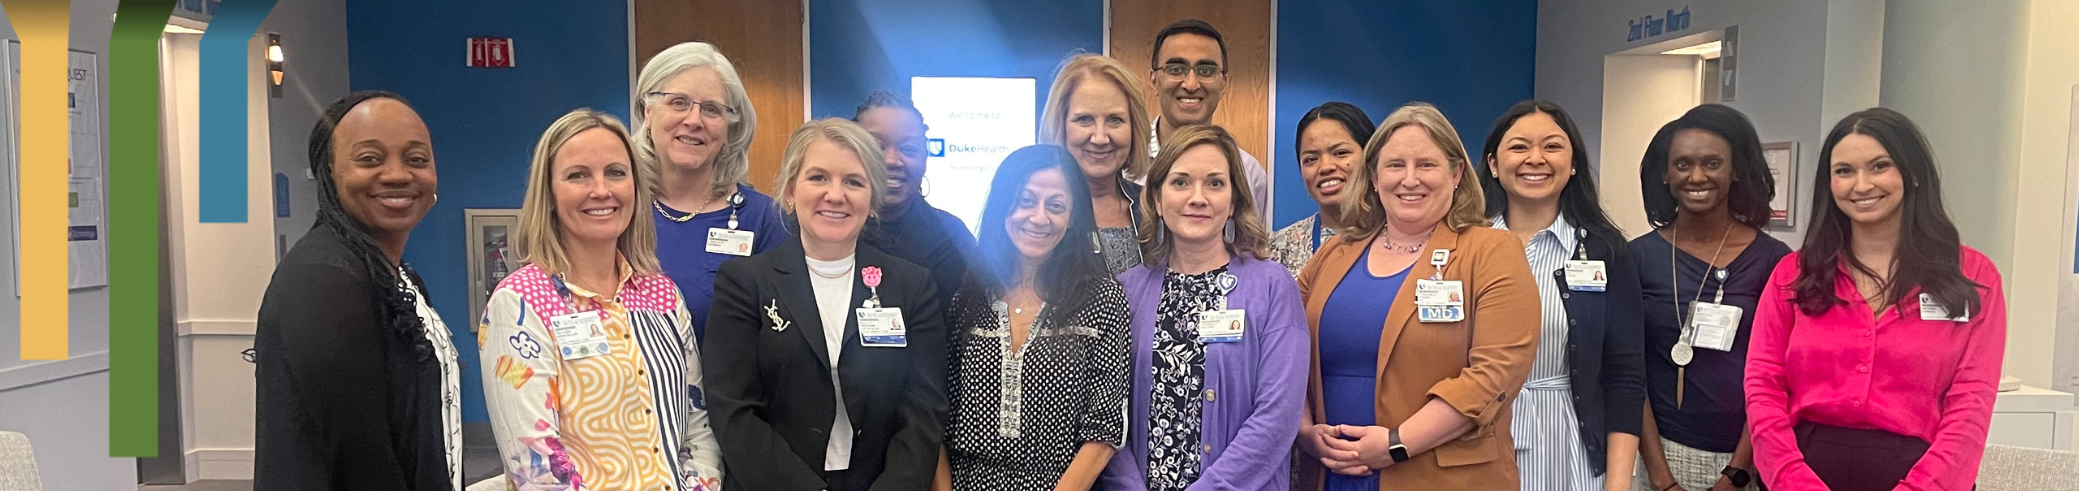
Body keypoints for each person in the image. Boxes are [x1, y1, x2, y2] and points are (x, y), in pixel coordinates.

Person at [1746, 108, 2006, 491]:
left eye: (1879, 166)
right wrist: (1792, 482)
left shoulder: (1972, 276)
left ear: (1913, 172)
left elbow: (1971, 404)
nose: (1861, 185)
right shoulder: (1793, 275)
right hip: (1804, 473)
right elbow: (1762, 385)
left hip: (1923, 476)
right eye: (1844, 171)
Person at [1292, 102, 1539, 491]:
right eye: (1394, 166)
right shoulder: (1333, 254)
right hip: (1332, 473)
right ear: (1373, 176)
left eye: (1426, 165)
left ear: (1456, 173)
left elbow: (1495, 373)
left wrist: (1396, 443)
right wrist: (1304, 430)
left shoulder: (1491, 251)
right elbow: (1282, 349)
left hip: (1441, 475)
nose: (1410, 179)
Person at [478, 110, 723, 491]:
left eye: (615, 172)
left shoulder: (661, 295)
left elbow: (697, 425)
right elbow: (535, 466)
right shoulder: (519, 304)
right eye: (578, 175)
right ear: (550, 193)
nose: (601, 190)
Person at [704, 118, 949, 491]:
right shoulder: (744, 284)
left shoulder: (913, 287)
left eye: (853, 181)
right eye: (818, 178)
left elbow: (923, 413)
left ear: (872, 200)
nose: (836, 195)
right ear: (789, 191)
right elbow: (734, 412)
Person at [253, 91, 457, 490]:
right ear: (329, 172)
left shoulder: (396, 277)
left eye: (416, 159)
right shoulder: (323, 279)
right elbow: (361, 460)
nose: (398, 174)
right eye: (369, 159)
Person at [1098, 125, 1308, 491]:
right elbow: (1108, 415)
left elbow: (1278, 416)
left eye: (1214, 183)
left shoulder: (1274, 286)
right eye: (1180, 183)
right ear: (1158, 200)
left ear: (1235, 202)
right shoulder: (1127, 291)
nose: (1198, 198)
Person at [935, 145, 1130, 491]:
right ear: (1003, 207)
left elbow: (1104, 429)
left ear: (1073, 219)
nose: (1039, 217)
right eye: (1025, 200)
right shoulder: (966, 296)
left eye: (1056, 206)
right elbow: (933, 416)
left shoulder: (1102, 299)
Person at [1475, 100, 1645, 491]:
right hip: (1476, 442)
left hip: (1572, 446)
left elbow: (1626, 376)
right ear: (1494, 164)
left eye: (1552, 146)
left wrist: (1618, 482)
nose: (1535, 158)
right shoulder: (1464, 246)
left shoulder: (1607, 251)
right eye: (1519, 147)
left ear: (1573, 165)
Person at [1631, 104, 1791, 491]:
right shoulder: (1637, 258)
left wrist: (1737, 473)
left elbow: (1779, 375)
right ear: (1666, 175)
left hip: (1749, 462)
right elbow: (1628, 372)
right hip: (1659, 456)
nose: (1697, 176)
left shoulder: (1776, 261)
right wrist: (1660, 477)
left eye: (1712, 163)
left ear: (1735, 171)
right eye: (1683, 164)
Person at [635, 41, 788, 343]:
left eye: (711, 109)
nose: (693, 121)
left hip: (727, 391)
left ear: (730, 127)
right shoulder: (619, 209)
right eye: (678, 102)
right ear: (648, 112)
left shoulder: (765, 220)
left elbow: (782, 339)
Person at [854, 90, 977, 309]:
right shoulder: (824, 229)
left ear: (925, 159)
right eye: (876, 146)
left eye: (909, 149)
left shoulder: (952, 238)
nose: (892, 160)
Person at [1145, 19, 1273, 224]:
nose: (1191, 84)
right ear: (1154, 80)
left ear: (1223, 84)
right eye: (1176, 69)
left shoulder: (1248, 173)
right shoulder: (1124, 166)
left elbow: (1251, 249)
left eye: (1206, 71)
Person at [1041, 53, 1154, 274]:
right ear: (1060, 124)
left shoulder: (1157, 208)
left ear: (1134, 128)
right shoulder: (1032, 212)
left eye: (1115, 120)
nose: (1100, 138)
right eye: (1084, 119)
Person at [1269, 102, 1375, 276]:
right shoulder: (1277, 251)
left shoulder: (1403, 238)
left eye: (1340, 153)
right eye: (1311, 159)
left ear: (1371, 157)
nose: (1325, 167)